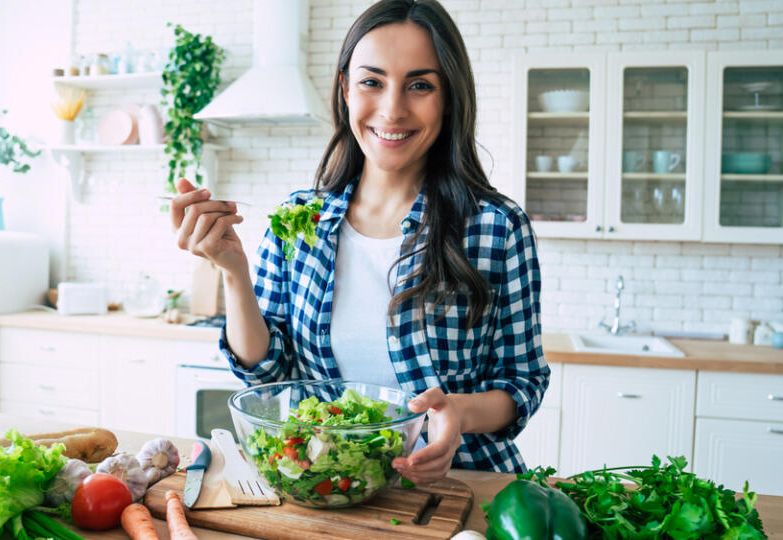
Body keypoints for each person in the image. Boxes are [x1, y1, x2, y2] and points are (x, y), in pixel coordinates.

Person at [170, 0, 548, 482]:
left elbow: (521, 381)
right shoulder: (298, 220)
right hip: (325, 488)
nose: (393, 109)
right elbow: (266, 375)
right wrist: (234, 273)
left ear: (448, 97)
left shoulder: (496, 227)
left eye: (420, 85)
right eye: (372, 81)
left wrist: (456, 413)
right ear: (346, 88)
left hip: (460, 484)